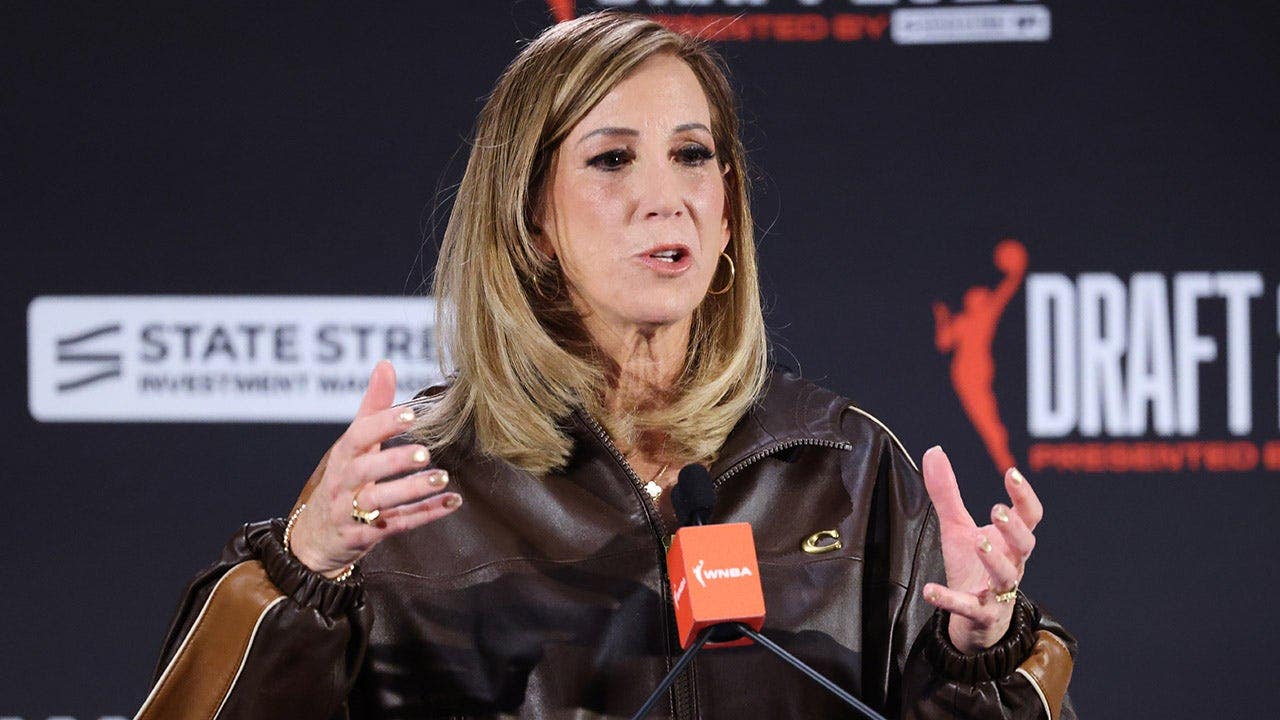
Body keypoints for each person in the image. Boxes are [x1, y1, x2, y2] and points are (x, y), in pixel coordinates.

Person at [134, 11, 1076, 720]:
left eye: (693, 155)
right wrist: (306, 575)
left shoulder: (845, 468)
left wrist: (977, 655)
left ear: (727, 213)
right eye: (613, 160)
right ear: (531, 220)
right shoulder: (416, 488)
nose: (666, 198)